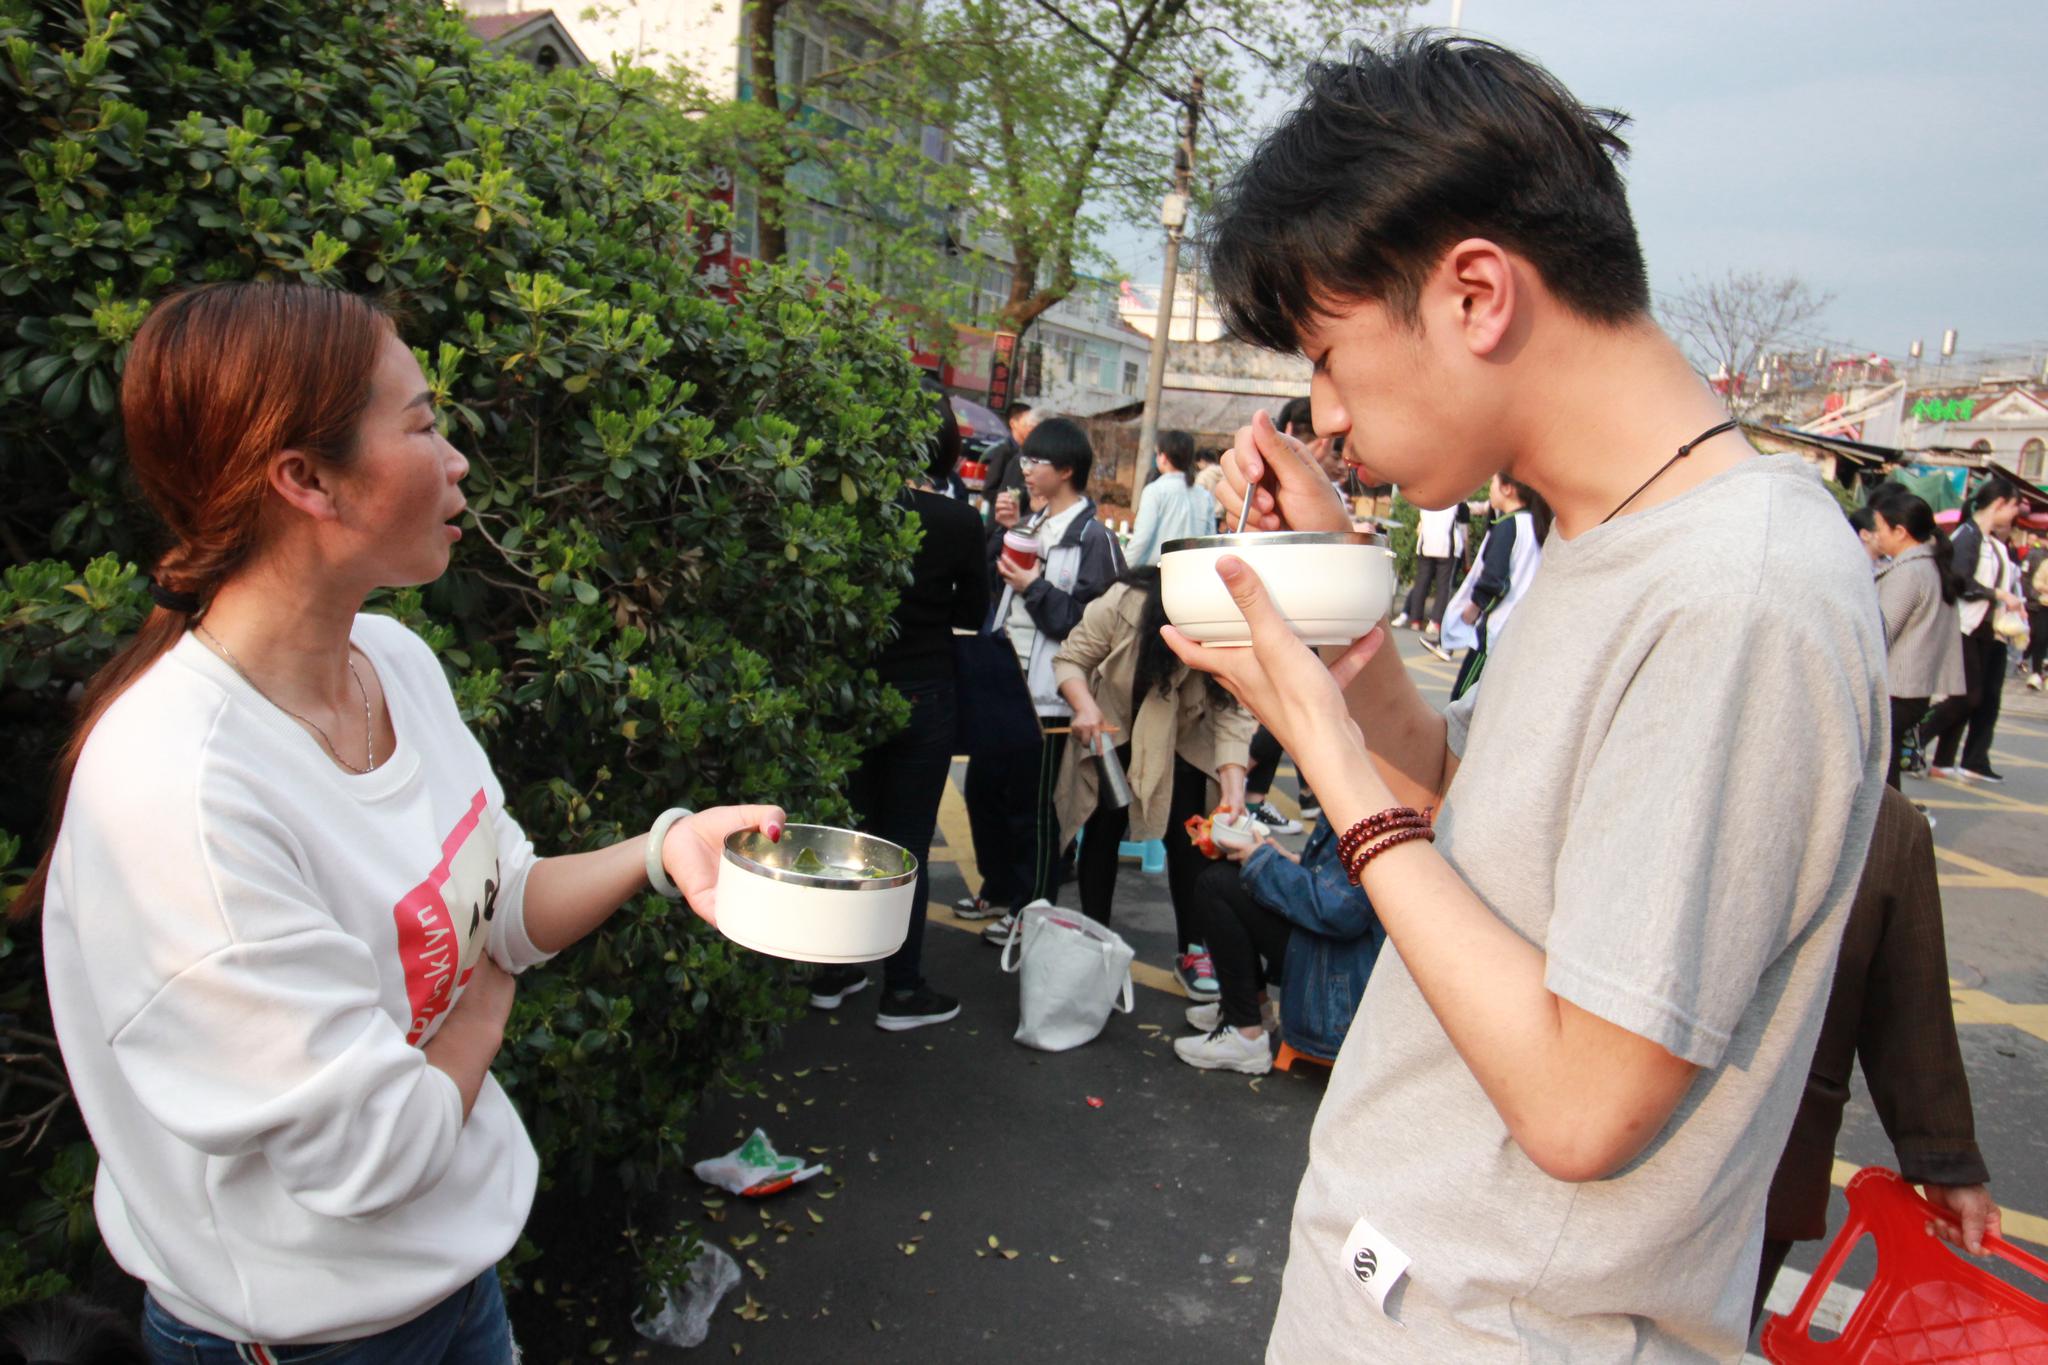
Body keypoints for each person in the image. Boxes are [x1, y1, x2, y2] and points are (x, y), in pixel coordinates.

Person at [1180, 35, 1885, 1362]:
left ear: (1476, 295)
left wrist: (1328, 757)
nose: (1322, 414)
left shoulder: (1743, 590)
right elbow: (1497, 834)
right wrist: (1347, 642)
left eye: (1330, 354)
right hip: (1415, 1293)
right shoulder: (1611, 533)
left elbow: (1580, 1098)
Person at [18, 283, 783, 1360]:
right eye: (422, 423)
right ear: (304, 479)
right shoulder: (180, 790)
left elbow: (494, 906)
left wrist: (661, 851)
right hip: (299, 1343)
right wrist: (487, 993)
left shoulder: (395, 664)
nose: (456, 455)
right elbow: (377, 1154)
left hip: (453, 1294)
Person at [1752, 785, 1996, 1328]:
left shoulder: (1883, 823)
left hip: (1768, 1166)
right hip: (1586, 1136)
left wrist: (1946, 1157)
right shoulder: (1882, 819)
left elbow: (1910, 1002)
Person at [810, 388, 988, 1029]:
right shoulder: (958, 522)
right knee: (905, 844)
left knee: (846, 832)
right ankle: (903, 990)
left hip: (848, 693)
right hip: (925, 694)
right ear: (941, 443)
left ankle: (831, 972)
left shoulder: (837, 508)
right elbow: (975, 614)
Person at [1051, 566, 1254, 1000]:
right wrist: (1084, 707)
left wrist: (1234, 784)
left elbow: (1234, 711)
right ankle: (1096, 940)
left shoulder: (1226, 627)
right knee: (1100, 837)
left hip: (1183, 742)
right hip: (1113, 731)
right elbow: (1071, 659)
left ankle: (1194, 951)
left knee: (1190, 848)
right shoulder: (1122, 604)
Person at [963, 418, 1125, 942]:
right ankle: (1000, 886)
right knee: (984, 791)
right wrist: (1001, 529)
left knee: (1033, 811)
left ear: (1068, 470)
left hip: (1050, 701)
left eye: (1036, 462)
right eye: (1025, 460)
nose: (1025, 470)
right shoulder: (1033, 526)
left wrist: (1034, 587)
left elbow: (1091, 630)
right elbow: (991, 587)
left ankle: (1031, 905)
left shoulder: (1092, 539)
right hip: (1002, 685)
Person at [1173, 819, 1386, 1075]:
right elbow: (1339, 886)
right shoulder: (1383, 798)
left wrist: (1267, 865)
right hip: (1333, 954)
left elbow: (1341, 911)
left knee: (1218, 883)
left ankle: (1246, 1035)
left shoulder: (1379, 808)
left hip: (1337, 978)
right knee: (1232, 874)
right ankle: (1250, 1009)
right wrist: (1292, 861)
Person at [1920, 475, 2026, 783]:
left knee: (1969, 698)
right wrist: (1997, 595)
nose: (2015, 514)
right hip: (1961, 625)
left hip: (1981, 628)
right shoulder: (1968, 535)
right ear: (2000, 504)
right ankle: (1913, 740)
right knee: (1967, 697)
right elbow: (1960, 579)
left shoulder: (1987, 540)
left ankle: (1943, 761)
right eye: (2014, 506)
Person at [1866, 484, 1965, 791]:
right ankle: (1893, 831)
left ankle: (1893, 833)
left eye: (1880, 528)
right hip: (1912, 689)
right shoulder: (1929, 564)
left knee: (1880, 774)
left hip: (1897, 688)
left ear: (1900, 531)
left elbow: (1879, 630)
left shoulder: (1910, 572)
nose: (1876, 535)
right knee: (1886, 769)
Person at [1430, 473, 1551, 699]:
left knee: (1462, 703)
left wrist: (1472, 610)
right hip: (1521, 631)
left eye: (1493, 482)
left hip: (1495, 632)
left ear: (1508, 489)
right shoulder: (1538, 524)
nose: (1490, 489)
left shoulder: (1508, 526)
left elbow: (1494, 581)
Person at [1123, 429, 1219, 565]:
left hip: (1156, 573)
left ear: (1163, 457)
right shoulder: (1204, 495)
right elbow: (1210, 539)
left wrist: (1123, 566)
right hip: (1191, 571)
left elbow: (1142, 537)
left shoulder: (1155, 490)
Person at [1394, 503, 1467, 635]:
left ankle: (1415, 621)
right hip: (1447, 548)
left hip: (1426, 544)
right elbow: (1463, 531)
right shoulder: (1458, 502)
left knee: (1421, 583)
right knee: (1443, 586)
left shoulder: (1427, 498)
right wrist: (1467, 558)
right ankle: (1435, 622)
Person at [976, 401, 1039, 512]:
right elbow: (989, 489)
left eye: (1033, 424)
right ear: (1013, 423)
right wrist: (1006, 504)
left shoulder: (1030, 452)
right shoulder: (1003, 451)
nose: (1032, 427)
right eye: (1028, 423)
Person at [2023, 530, 2048, 689]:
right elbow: (2034, 581)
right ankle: (2036, 671)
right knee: (2039, 637)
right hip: (2041, 604)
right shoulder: (2039, 558)